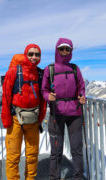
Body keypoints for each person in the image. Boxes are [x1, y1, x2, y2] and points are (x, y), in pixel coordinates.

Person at [41, 38, 86, 180]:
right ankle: (54, 177)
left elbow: (81, 87)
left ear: (71, 51)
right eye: (62, 49)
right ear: (57, 50)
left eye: (68, 49)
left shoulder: (75, 69)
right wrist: (49, 97)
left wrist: (81, 96)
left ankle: (78, 177)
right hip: (56, 113)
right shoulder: (50, 69)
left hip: (75, 113)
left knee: (77, 149)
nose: (65, 52)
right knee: (56, 150)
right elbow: (44, 90)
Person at [1, 44, 46, 180]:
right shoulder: (13, 71)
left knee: (33, 154)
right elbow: (6, 96)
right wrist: (6, 119)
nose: (34, 57)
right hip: (15, 119)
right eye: (31, 54)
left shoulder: (40, 73)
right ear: (25, 54)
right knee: (13, 155)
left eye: (37, 54)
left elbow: (42, 99)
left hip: (33, 119)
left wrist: (40, 118)